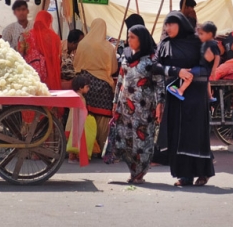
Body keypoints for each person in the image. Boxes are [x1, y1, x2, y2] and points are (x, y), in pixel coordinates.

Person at [148, 12, 215, 187]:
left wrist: (190, 73)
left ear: (181, 24)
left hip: (195, 96)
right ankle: (185, 175)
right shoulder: (165, 44)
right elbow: (155, 66)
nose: (167, 28)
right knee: (177, 134)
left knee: (194, 134)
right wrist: (176, 71)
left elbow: (206, 68)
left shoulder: (197, 42)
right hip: (174, 94)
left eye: (171, 24)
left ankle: (203, 172)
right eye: (166, 24)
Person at [108, 25, 163, 184]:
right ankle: (133, 170)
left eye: (132, 37)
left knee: (142, 140)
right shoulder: (125, 56)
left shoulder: (151, 59)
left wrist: (160, 104)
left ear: (142, 39)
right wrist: (115, 101)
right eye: (128, 36)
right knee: (126, 138)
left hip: (144, 108)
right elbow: (120, 80)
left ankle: (140, 172)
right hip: (124, 106)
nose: (128, 40)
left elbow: (159, 84)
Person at [74, 18, 118, 156]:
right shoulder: (109, 47)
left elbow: (76, 64)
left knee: (87, 116)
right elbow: (114, 68)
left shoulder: (82, 44)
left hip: (85, 83)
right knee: (103, 118)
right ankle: (102, 150)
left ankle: (87, 148)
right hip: (104, 84)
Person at [168, 21, 221, 101]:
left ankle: (180, 90)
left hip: (204, 68)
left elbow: (217, 57)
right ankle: (209, 96)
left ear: (209, 34)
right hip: (203, 68)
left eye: (202, 34)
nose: (200, 36)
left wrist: (214, 70)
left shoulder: (212, 44)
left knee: (188, 74)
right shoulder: (205, 43)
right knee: (206, 81)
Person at [18, 11, 62, 91]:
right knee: (47, 95)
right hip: (49, 73)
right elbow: (56, 57)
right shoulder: (54, 37)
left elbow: (19, 54)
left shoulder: (26, 35)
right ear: (48, 21)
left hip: (31, 71)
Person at [66, 75, 97, 163]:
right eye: (87, 87)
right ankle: (72, 157)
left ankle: (72, 156)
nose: (88, 89)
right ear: (80, 87)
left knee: (73, 140)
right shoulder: (79, 98)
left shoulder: (74, 96)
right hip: (76, 122)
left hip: (71, 121)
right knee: (75, 140)